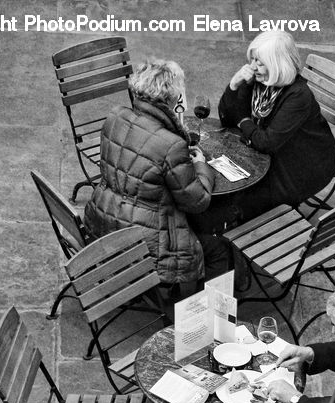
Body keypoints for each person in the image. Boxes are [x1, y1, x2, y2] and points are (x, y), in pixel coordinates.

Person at [83, 59, 230, 302]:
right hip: (147, 245)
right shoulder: (171, 145)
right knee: (218, 249)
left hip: (105, 225)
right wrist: (201, 165)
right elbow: (198, 200)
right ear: (172, 98)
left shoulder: (115, 117)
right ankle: (197, 319)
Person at [192, 31, 335, 233]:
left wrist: (243, 120)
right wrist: (233, 86)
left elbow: (265, 142)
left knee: (243, 200)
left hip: (302, 166)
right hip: (271, 153)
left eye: (259, 62)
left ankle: (237, 233)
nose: (252, 67)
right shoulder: (258, 80)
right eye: (252, 59)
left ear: (277, 64)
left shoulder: (298, 97)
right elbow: (227, 119)